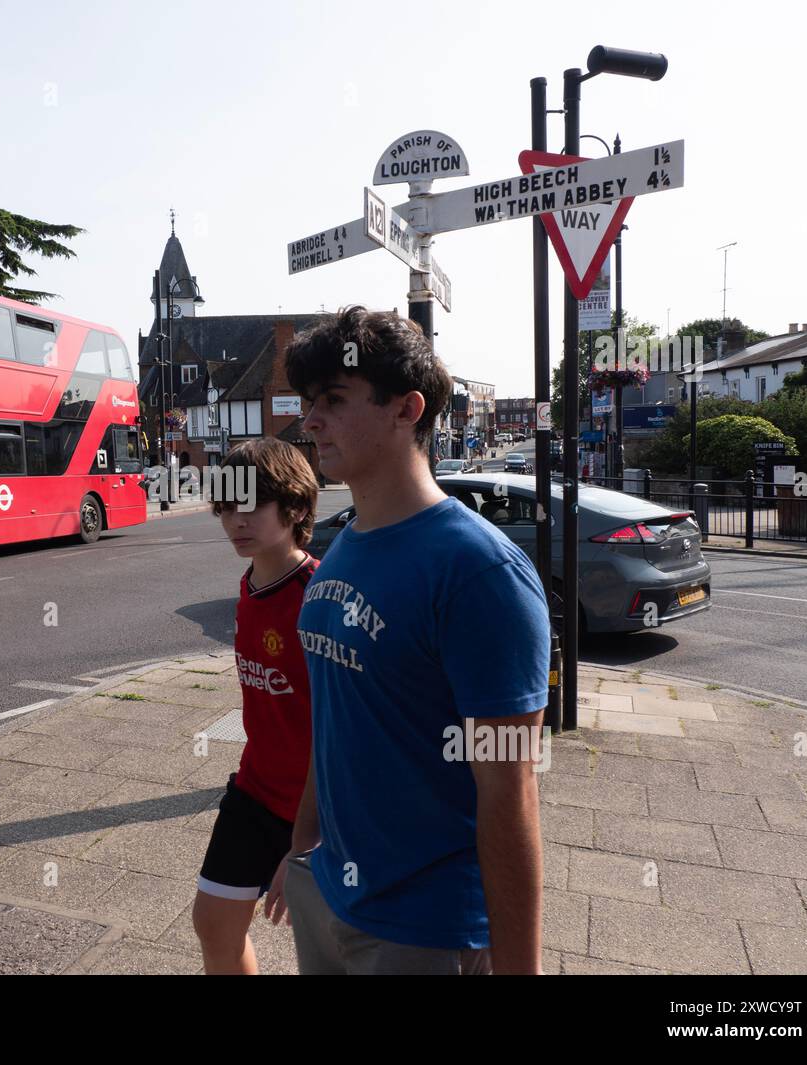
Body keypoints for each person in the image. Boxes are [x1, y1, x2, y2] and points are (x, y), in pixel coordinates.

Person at [264, 306, 551, 975]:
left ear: (405, 409)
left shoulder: (480, 575)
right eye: (309, 402)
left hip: (424, 931)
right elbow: (331, 724)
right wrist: (301, 850)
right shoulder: (340, 552)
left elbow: (510, 791)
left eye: (334, 400)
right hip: (328, 892)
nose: (310, 421)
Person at [192, 438, 319, 974]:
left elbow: (340, 728)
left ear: (294, 508)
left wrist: (308, 841)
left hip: (323, 809)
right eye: (226, 507)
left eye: (251, 505)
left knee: (329, 948)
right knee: (214, 923)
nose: (234, 521)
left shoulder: (319, 594)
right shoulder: (249, 585)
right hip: (255, 792)